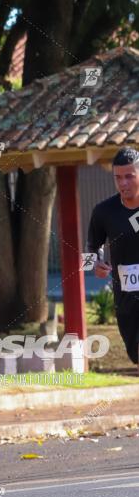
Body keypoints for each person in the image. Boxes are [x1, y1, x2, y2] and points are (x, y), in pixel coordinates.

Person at [87, 147, 139, 368]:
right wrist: (95, 264)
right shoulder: (104, 212)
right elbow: (89, 249)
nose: (123, 183)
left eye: (130, 176)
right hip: (127, 296)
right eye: (118, 177)